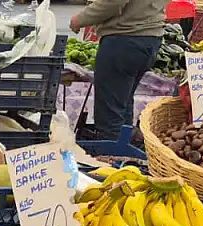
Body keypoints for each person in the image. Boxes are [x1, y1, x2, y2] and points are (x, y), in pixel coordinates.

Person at [70, 0, 169, 139]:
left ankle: (110, 148)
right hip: (150, 38)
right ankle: (124, 144)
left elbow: (113, 2)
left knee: (111, 114)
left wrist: (80, 19)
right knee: (123, 103)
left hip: (125, 38)